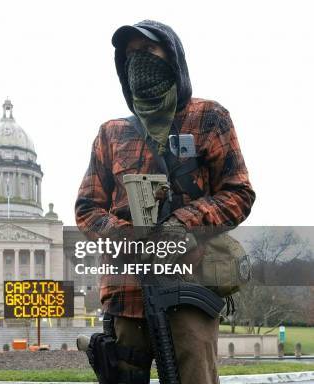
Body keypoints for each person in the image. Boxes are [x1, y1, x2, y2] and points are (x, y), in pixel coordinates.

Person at [75, 20, 255, 384]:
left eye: (149, 50)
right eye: (130, 55)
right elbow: (87, 209)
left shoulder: (209, 117)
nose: (138, 60)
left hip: (191, 282)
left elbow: (238, 193)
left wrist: (183, 223)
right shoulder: (111, 133)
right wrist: (129, 236)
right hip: (125, 289)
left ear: (172, 56)